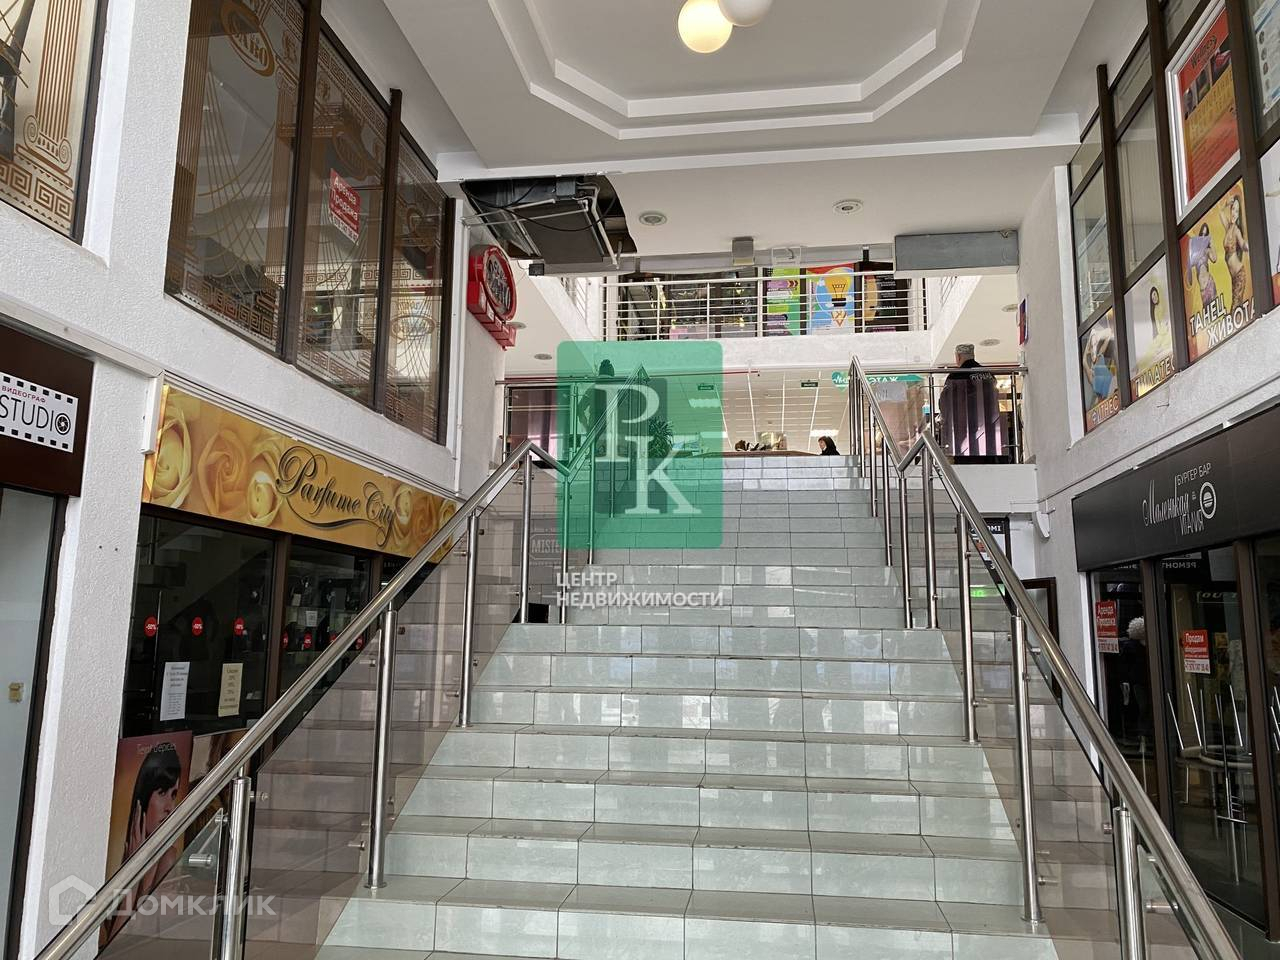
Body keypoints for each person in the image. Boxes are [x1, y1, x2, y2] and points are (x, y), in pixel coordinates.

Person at [106, 742, 184, 941]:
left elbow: (127, 942)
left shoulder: (167, 857)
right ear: (144, 796)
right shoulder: (119, 851)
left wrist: (139, 873)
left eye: (173, 794)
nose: (169, 806)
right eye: (162, 792)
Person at [938, 344, 1006, 462]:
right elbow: (994, 397)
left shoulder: (955, 376)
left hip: (964, 429)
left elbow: (945, 402)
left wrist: (946, 421)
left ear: (958, 357)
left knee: (967, 461)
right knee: (988, 459)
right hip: (988, 428)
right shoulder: (988, 374)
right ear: (973, 355)